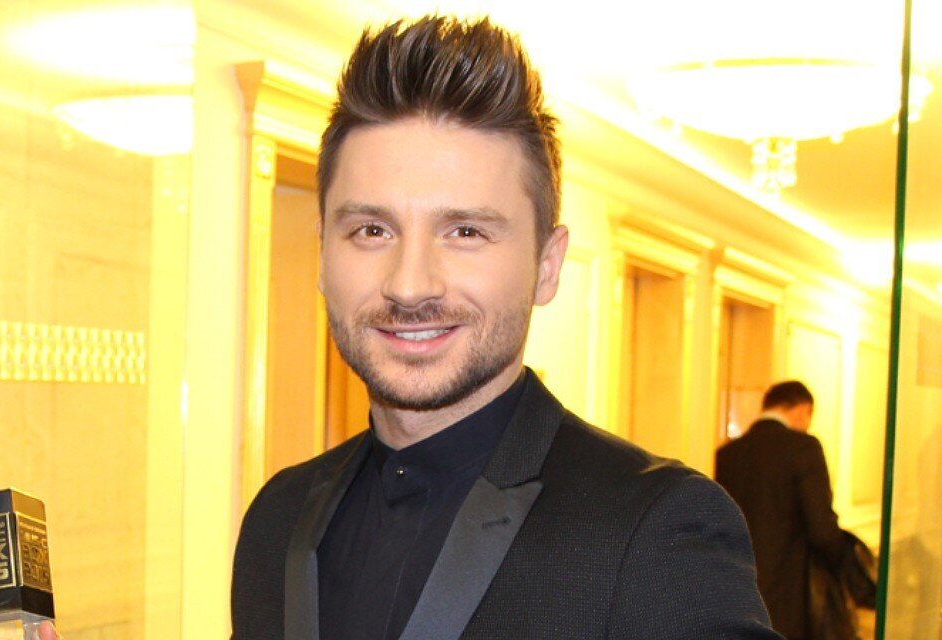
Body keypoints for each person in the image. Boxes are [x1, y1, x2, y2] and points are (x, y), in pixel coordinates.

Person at [227, 15, 780, 640]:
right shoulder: (277, 517)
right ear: (324, 254)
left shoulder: (654, 532)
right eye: (371, 230)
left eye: (465, 231)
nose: (409, 285)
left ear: (547, 267)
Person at [715, 381, 846, 640]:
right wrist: (841, 564)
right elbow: (822, 531)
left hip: (737, 590)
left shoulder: (728, 453)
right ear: (802, 410)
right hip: (789, 594)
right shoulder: (804, 447)